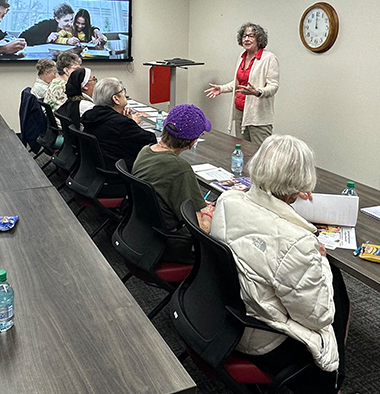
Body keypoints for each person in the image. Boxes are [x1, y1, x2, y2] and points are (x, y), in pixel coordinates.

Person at [208, 134, 350, 394]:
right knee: (336, 292)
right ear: (298, 187)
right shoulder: (297, 242)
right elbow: (317, 317)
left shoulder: (229, 201)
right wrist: (320, 261)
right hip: (262, 338)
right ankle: (332, 386)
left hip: (224, 316)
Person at [132, 104, 215, 263]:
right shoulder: (180, 169)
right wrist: (209, 213)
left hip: (142, 234)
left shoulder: (146, 150)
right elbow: (202, 228)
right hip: (169, 244)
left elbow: (164, 192)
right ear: (193, 141)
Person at [205, 22, 280, 145]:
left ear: (259, 39)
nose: (246, 39)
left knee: (259, 152)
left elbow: (273, 86)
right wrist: (221, 89)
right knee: (242, 149)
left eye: (251, 36)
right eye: (244, 36)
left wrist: (258, 92)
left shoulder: (269, 58)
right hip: (240, 111)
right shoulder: (242, 56)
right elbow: (239, 82)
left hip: (258, 116)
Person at [82, 78, 155, 170]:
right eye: (122, 91)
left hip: (96, 169)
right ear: (116, 99)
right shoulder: (121, 124)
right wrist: (132, 123)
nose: (125, 94)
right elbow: (150, 140)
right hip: (119, 172)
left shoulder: (91, 116)